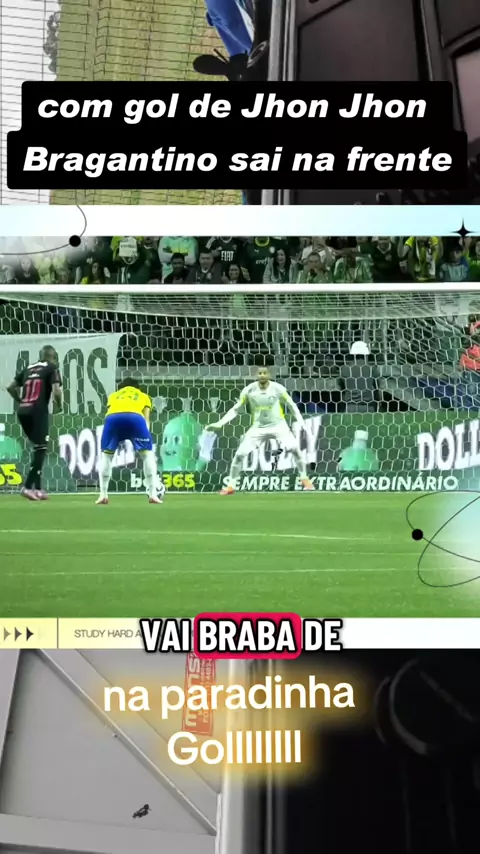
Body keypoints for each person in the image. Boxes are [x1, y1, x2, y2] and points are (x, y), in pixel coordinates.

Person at [206, 367, 314, 494]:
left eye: (264, 373)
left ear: (269, 375)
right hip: (258, 428)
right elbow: (236, 409)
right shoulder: (249, 390)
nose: (262, 375)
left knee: (295, 450)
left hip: (279, 426)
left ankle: (304, 479)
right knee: (239, 455)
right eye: (260, 373)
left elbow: (291, 405)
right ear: (256, 375)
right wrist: (219, 423)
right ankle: (231, 485)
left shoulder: (278, 388)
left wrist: (301, 422)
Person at [6, 345, 63, 501]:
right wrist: (59, 405)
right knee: (41, 449)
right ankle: (27, 487)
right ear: (53, 356)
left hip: (23, 411)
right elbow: (57, 390)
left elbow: (10, 387)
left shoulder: (28, 368)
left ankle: (38, 489)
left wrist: (20, 401)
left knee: (38, 448)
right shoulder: (52, 368)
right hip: (38, 411)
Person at [98, 379, 162, 505]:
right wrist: (145, 438)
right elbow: (146, 419)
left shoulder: (114, 396)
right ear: (137, 388)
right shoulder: (143, 396)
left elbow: (110, 411)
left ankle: (103, 495)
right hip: (135, 418)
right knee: (147, 455)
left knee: (106, 456)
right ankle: (153, 494)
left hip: (113, 418)